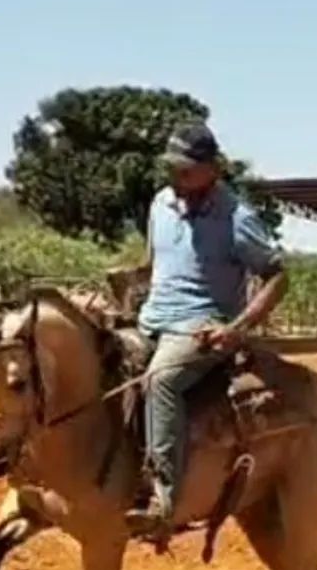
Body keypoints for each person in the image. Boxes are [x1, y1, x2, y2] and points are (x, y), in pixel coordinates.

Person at [120, 122, 288, 537]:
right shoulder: (160, 203)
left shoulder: (239, 219)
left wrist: (237, 330)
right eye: (172, 168)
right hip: (152, 318)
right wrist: (127, 279)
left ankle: (164, 498)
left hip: (200, 327)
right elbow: (155, 262)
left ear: (211, 169)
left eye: (185, 170)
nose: (176, 178)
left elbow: (277, 276)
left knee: (161, 380)